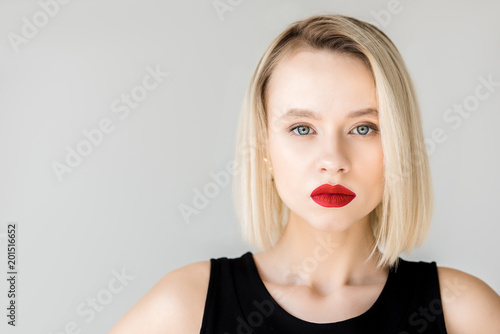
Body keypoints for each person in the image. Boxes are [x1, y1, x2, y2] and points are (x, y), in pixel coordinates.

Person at [109, 13, 500, 333]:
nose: (332, 160)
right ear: (263, 146)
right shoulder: (186, 306)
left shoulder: (464, 312)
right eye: (302, 129)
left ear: (399, 143)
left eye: (363, 128)